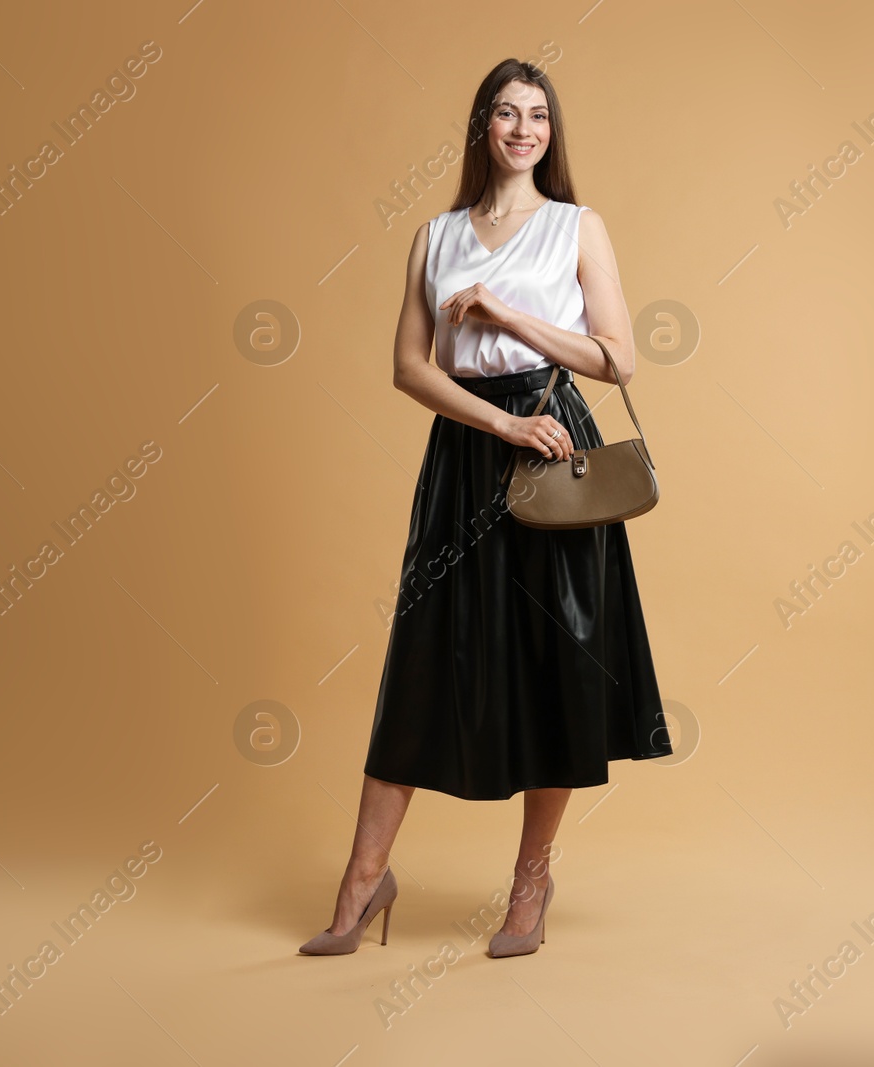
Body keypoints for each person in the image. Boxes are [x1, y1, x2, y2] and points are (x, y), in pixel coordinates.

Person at [298, 58, 671, 958]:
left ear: (552, 132)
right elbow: (410, 368)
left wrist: (508, 316)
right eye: (505, 113)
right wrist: (499, 422)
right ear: (482, 128)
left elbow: (619, 360)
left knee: (559, 663)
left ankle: (531, 884)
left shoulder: (578, 226)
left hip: (557, 452)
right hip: (471, 455)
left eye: (537, 115)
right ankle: (361, 882)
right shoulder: (436, 235)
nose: (522, 128)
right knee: (425, 658)